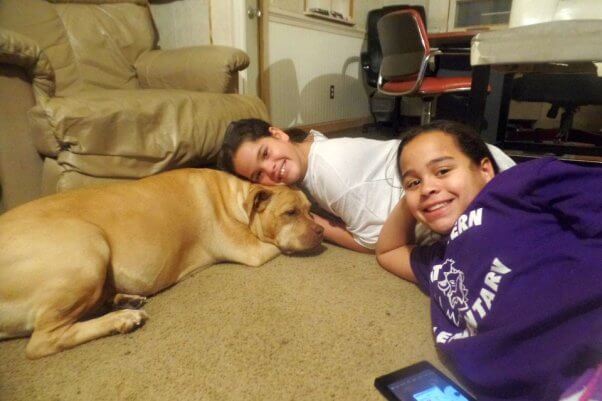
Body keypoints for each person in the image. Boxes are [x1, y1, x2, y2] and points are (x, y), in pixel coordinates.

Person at [376, 120, 602, 400]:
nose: (427, 188)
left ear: (485, 170)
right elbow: (387, 250)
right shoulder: (437, 261)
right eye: (413, 182)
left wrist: (421, 185)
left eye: (443, 170)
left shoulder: (516, 183)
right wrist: (415, 196)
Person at [218, 118, 515, 253]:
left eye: (265, 154)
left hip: (482, 186)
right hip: (474, 158)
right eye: (258, 175)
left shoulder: (332, 177)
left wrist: (320, 223)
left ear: (278, 134)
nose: (271, 169)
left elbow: (373, 242)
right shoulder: (311, 146)